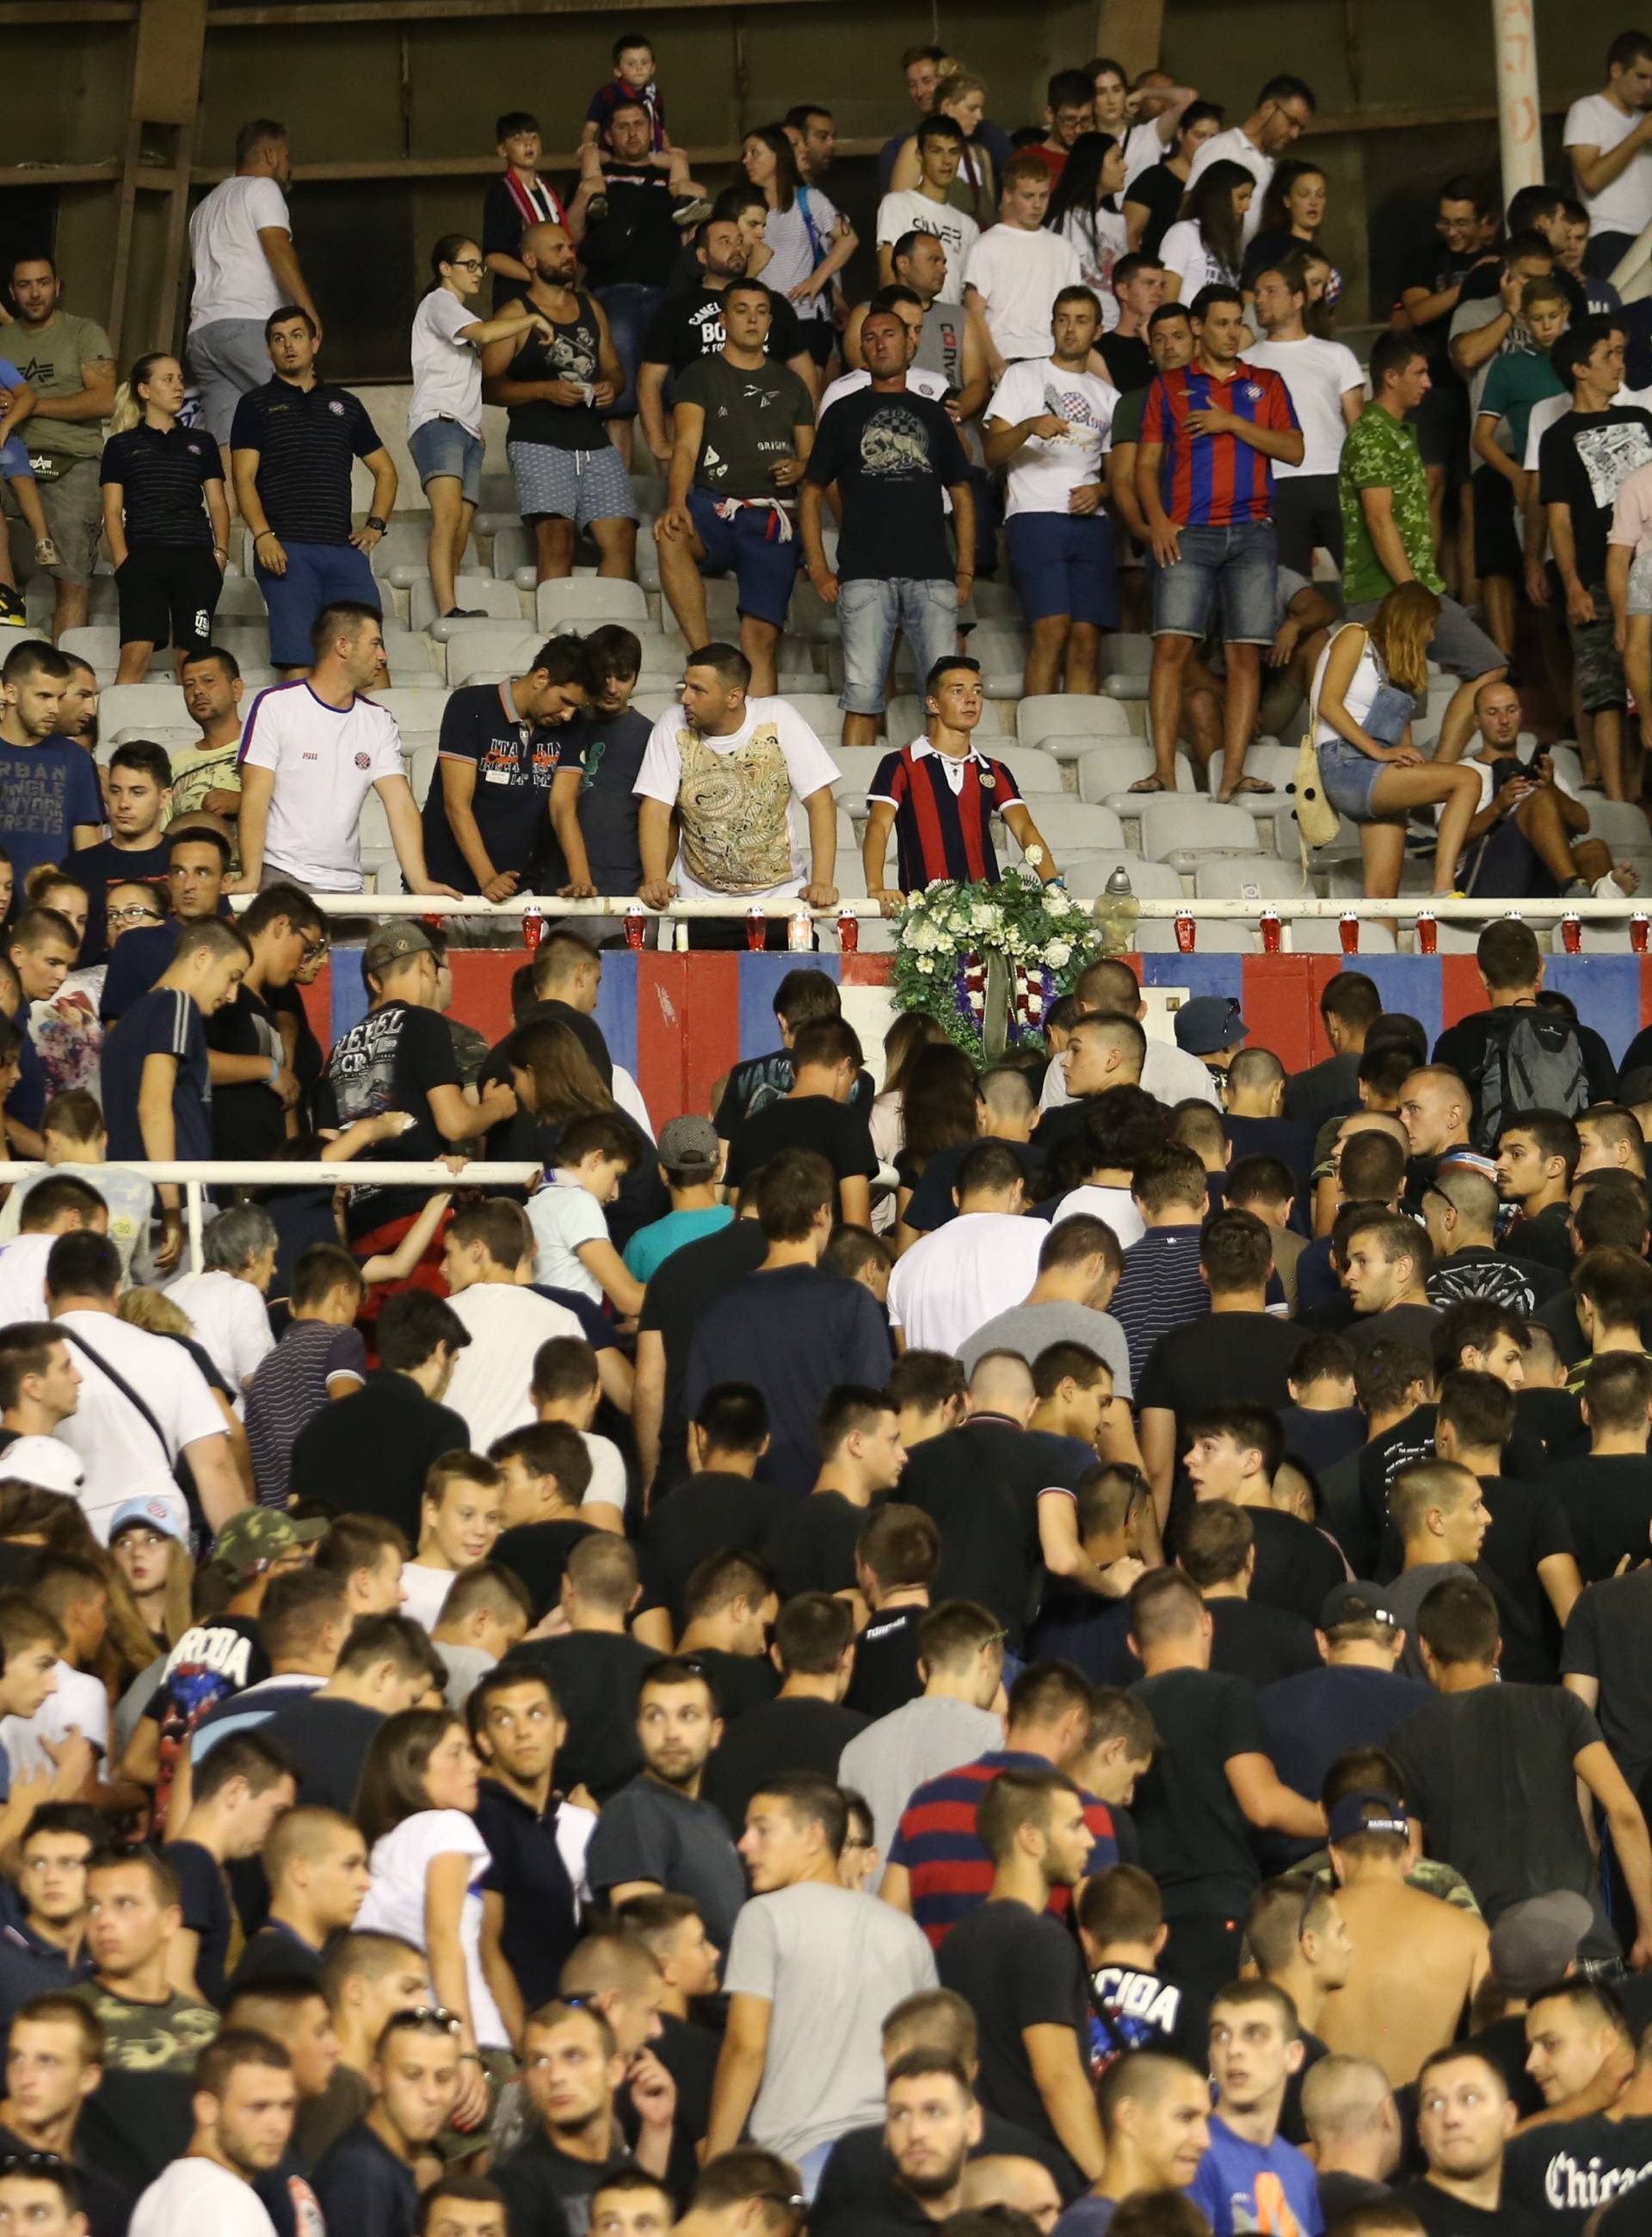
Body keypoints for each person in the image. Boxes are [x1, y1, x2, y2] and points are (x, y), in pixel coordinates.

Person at [1391, 1575, 1652, 1962]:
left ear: (1425, 1649)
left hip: (1489, 1960)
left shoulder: (1406, 1738)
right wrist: (1648, 1928)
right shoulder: (1560, 1709)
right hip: (1583, 1946)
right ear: (1497, 1649)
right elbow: (1625, 1812)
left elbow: (1409, 1860)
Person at [706, 1771, 938, 2193]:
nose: (744, 1845)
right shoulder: (907, 1934)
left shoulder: (764, 1916)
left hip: (804, 2163)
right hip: (896, 2161)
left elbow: (746, 2048)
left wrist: (716, 2167)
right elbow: (933, 2055)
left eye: (762, 1829)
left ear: (814, 1837)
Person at [1135, 284, 1303, 799]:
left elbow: (1294, 450)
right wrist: (1159, 521)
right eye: (1223, 323)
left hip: (1253, 533)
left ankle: (1233, 774)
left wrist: (1232, 422)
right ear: (1200, 328)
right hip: (1190, 533)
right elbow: (1144, 465)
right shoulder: (1167, 387)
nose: (1233, 332)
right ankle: (1165, 770)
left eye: (1238, 322)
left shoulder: (1266, 383)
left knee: (1245, 656)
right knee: (1169, 646)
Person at [799, 310, 973, 754]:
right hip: (863, 574)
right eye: (870, 337)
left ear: (908, 344)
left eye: (889, 335)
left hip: (932, 572)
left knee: (945, 699)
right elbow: (812, 490)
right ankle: (854, 798)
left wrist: (966, 570)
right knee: (861, 694)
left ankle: (946, 793)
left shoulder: (931, 415)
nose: (880, 343)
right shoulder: (842, 412)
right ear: (861, 348)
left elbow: (962, 491)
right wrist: (818, 567)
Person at [682, 1152, 891, 1495]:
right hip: (824, 1515)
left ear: (763, 1215)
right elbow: (871, 1426)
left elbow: (697, 1443)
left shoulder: (718, 1309)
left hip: (740, 1516)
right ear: (823, 1214)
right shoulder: (850, 1303)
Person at [654, 285, 814, 699]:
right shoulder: (700, 374)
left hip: (771, 515)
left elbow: (812, 457)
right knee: (671, 533)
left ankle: (755, 739)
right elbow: (686, 444)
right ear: (723, 320)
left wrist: (799, 467)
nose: (752, 318)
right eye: (741, 310)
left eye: (761, 311)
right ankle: (704, 658)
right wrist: (675, 502)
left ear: (770, 321)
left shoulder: (792, 383)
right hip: (714, 506)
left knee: (760, 640)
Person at [232, 602, 454, 898]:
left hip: (348, 886)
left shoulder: (379, 721)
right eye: (375, 644)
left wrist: (420, 883)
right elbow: (255, 797)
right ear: (342, 646)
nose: (383, 656)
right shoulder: (275, 705)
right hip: (281, 878)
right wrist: (251, 878)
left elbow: (399, 804)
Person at [229, 310, 394, 677]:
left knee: (371, 659)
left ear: (315, 342)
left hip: (342, 548)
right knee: (299, 659)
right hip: (285, 549)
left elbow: (386, 471)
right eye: (278, 338)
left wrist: (376, 525)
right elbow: (243, 478)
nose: (288, 345)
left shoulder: (346, 405)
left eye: (297, 335)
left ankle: (376, 736)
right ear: (269, 350)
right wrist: (262, 535)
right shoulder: (254, 404)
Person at [633, 643, 841, 934]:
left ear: (733, 697)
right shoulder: (672, 725)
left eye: (698, 690)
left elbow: (820, 801)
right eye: (685, 686)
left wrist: (822, 881)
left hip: (781, 901)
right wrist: (655, 877)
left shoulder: (778, 717)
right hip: (702, 905)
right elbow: (655, 809)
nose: (685, 698)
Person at [478, 222, 635, 586]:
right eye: (558, 249)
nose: (569, 255)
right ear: (530, 259)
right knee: (556, 539)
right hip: (537, 438)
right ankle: (560, 638)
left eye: (570, 248)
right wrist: (544, 390)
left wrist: (611, 386)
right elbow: (487, 387)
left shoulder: (590, 306)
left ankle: (608, 633)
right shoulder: (514, 314)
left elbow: (614, 369)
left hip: (593, 439)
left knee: (622, 537)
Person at [409, 236, 553, 619]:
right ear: (444, 269)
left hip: (467, 429)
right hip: (438, 421)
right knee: (447, 517)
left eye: (479, 266)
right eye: (468, 265)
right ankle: (446, 608)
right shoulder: (441, 302)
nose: (477, 274)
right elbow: (487, 334)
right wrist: (533, 317)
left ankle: (451, 604)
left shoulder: (454, 309)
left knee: (460, 522)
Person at [983, 292, 1118, 699]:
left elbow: (1121, 476)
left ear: (1098, 329)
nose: (1070, 328)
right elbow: (990, 453)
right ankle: (1037, 738)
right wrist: (1027, 426)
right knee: (1051, 629)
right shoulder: (1023, 377)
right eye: (1062, 319)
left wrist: (1101, 490)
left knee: (1086, 640)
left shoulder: (1109, 396)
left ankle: (1080, 734)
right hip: (1035, 515)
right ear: (1052, 324)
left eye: (1080, 320)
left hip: (1090, 523)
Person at [1539, 320, 1652, 798]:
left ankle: (1639, 789)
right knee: (1604, 689)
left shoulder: (1641, 419)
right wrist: (1573, 585)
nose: (1620, 364)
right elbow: (1558, 520)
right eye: (1609, 355)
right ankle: (1618, 802)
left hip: (1647, 569)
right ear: (1580, 369)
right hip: (1596, 575)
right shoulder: (1558, 437)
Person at [587, 1655, 749, 1951]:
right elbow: (645, 1943)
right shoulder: (633, 1810)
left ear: (715, 1732)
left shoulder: (712, 1817)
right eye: (656, 1716)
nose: (671, 1733)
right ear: (639, 1730)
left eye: (688, 1716)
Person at [636, 216, 816, 469]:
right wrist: (659, 444)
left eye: (741, 241)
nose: (737, 248)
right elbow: (649, 380)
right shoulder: (676, 310)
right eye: (725, 241)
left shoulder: (773, 304)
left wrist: (806, 444)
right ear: (702, 255)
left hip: (771, 443)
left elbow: (805, 372)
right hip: (701, 448)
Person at [1, 253, 117, 643]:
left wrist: (28, 404)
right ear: (13, 293)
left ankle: (61, 670)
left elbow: (104, 401)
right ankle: (6, 605)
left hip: (72, 458)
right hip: (9, 452)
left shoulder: (84, 331)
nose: (35, 293)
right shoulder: (3, 339)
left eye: (43, 283)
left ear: (57, 286)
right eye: (24, 285)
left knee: (70, 563)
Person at [97, 353, 228, 687]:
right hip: (143, 558)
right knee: (136, 655)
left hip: (196, 558)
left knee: (193, 662)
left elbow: (217, 502)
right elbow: (112, 511)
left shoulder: (202, 442)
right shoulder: (120, 446)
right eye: (167, 379)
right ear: (144, 389)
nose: (178, 386)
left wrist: (220, 555)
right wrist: (123, 561)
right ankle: (113, 733)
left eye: (180, 379)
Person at [494, 1996, 675, 2234]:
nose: (556, 2075)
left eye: (573, 2056)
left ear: (614, 2071)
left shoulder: (622, 2166)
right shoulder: (512, 2186)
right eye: (540, 2061)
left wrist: (657, 2129)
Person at [1244, 253, 1362, 575]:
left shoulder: (1336, 354)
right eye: (1256, 293)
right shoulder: (1244, 363)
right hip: (1276, 483)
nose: (1260, 300)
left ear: (1297, 299)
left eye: (1270, 291)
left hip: (1334, 477)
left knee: (1360, 578)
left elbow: (1359, 429)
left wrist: (1363, 484)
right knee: (1290, 587)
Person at [311, 2005, 459, 2237]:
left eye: (444, 2078)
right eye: (412, 2075)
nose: (431, 2094)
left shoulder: (387, 2163)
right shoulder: (361, 2171)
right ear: (377, 2078)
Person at [1187, 1982, 1320, 2236]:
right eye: (1221, 2036)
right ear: (1210, 2055)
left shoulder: (1301, 2170)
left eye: (1254, 2034)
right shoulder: (1193, 2154)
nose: (1234, 2050)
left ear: (1292, 2056)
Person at [1389, 2049, 1538, 2234]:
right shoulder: (1391, 2224)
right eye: (1434, 2104)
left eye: (1469, 2098)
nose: (1451, 2117)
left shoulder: (1525, 2227)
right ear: (1420, 2130)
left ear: (1508, 2117)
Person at [0, 644, 102, 887]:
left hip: (53, 915)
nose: (54, 709)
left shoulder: (76, 759)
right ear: (11, 693)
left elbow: (90, 852)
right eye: (44, 696)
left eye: (59, 698)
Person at [1565, 32, 1652, 278]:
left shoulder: (1641, 119)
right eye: (1641, 76)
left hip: (1646, 238)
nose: (1649, 86)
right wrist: (1638, 136)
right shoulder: (1587, 110)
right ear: (1616, 71)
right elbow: (1591, 180)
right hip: (1610, 235)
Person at [878, 122, 982, 296]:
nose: (946, 160)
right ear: (920, 155)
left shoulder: (969, 227)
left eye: (953, 152)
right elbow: (888, 276)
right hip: (908, 317)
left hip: (950, 319)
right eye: (936, 151)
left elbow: (969, 294)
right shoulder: (896, 204)